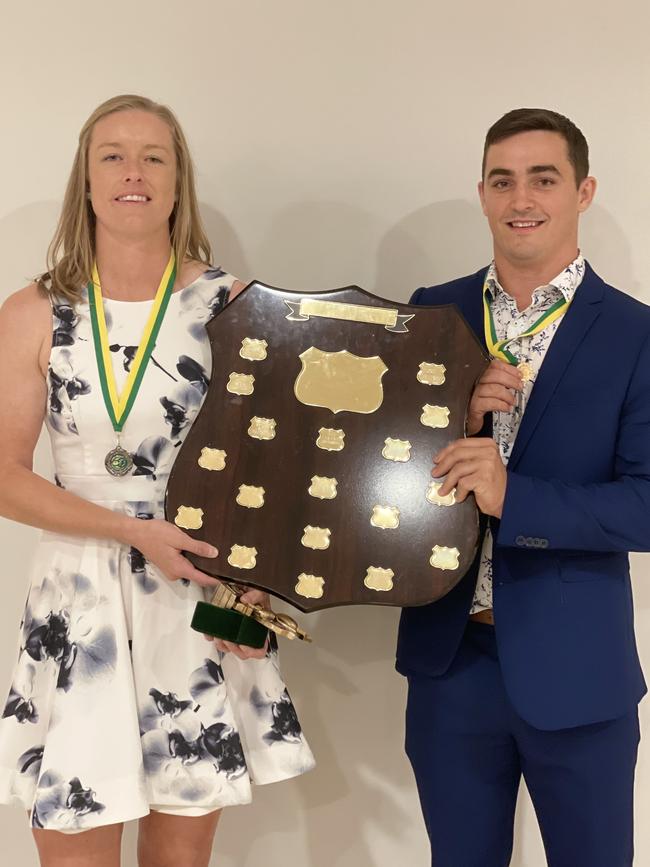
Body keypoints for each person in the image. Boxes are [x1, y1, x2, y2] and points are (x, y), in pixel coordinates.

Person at [0, 94, 314, 867]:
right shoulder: (35, 310)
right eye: (112, 154)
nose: (133, 172)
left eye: (154, 156)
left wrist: (257, 581)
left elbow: (276, 467)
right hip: (81, 601)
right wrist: (133, 530)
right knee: (73, 844)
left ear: (179, 180)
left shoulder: (235, 305)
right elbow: (3, 477)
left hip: (199, 594)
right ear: (87, 177)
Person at [397, 108, 650, 866]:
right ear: (481, 193)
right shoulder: (432, 310)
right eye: (502, 180)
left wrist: (517, 496)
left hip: (579, 674)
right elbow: (386, 473)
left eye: (544, 178)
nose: (521, 198)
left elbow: (645, 503)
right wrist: (458, 422)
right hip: (452, 667)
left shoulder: (637, 334)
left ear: (584, 191)